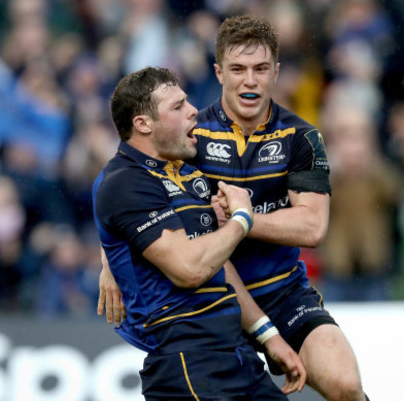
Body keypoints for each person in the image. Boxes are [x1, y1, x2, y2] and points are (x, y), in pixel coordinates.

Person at [100, 16, 367, 400]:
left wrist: (239, 219)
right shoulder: (188, 134)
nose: (250, 80)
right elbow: (124, 181)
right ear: (219, 73)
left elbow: (312, 228)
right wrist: (109, 258)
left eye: (260, 69)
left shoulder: (302, 137)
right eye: (237, 69)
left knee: (346, 385)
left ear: (276, 71)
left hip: (282, 293)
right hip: (212, 296)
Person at [92, 66, 305, 400]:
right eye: (177, 107)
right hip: (186, 361)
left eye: (187, 101)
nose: (193, 111)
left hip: (236, 355)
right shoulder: (125, 182)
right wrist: (241, 219)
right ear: (143, 124)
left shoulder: (189, 176)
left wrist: (268, 336)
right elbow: (189, 270)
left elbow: (214, 261)